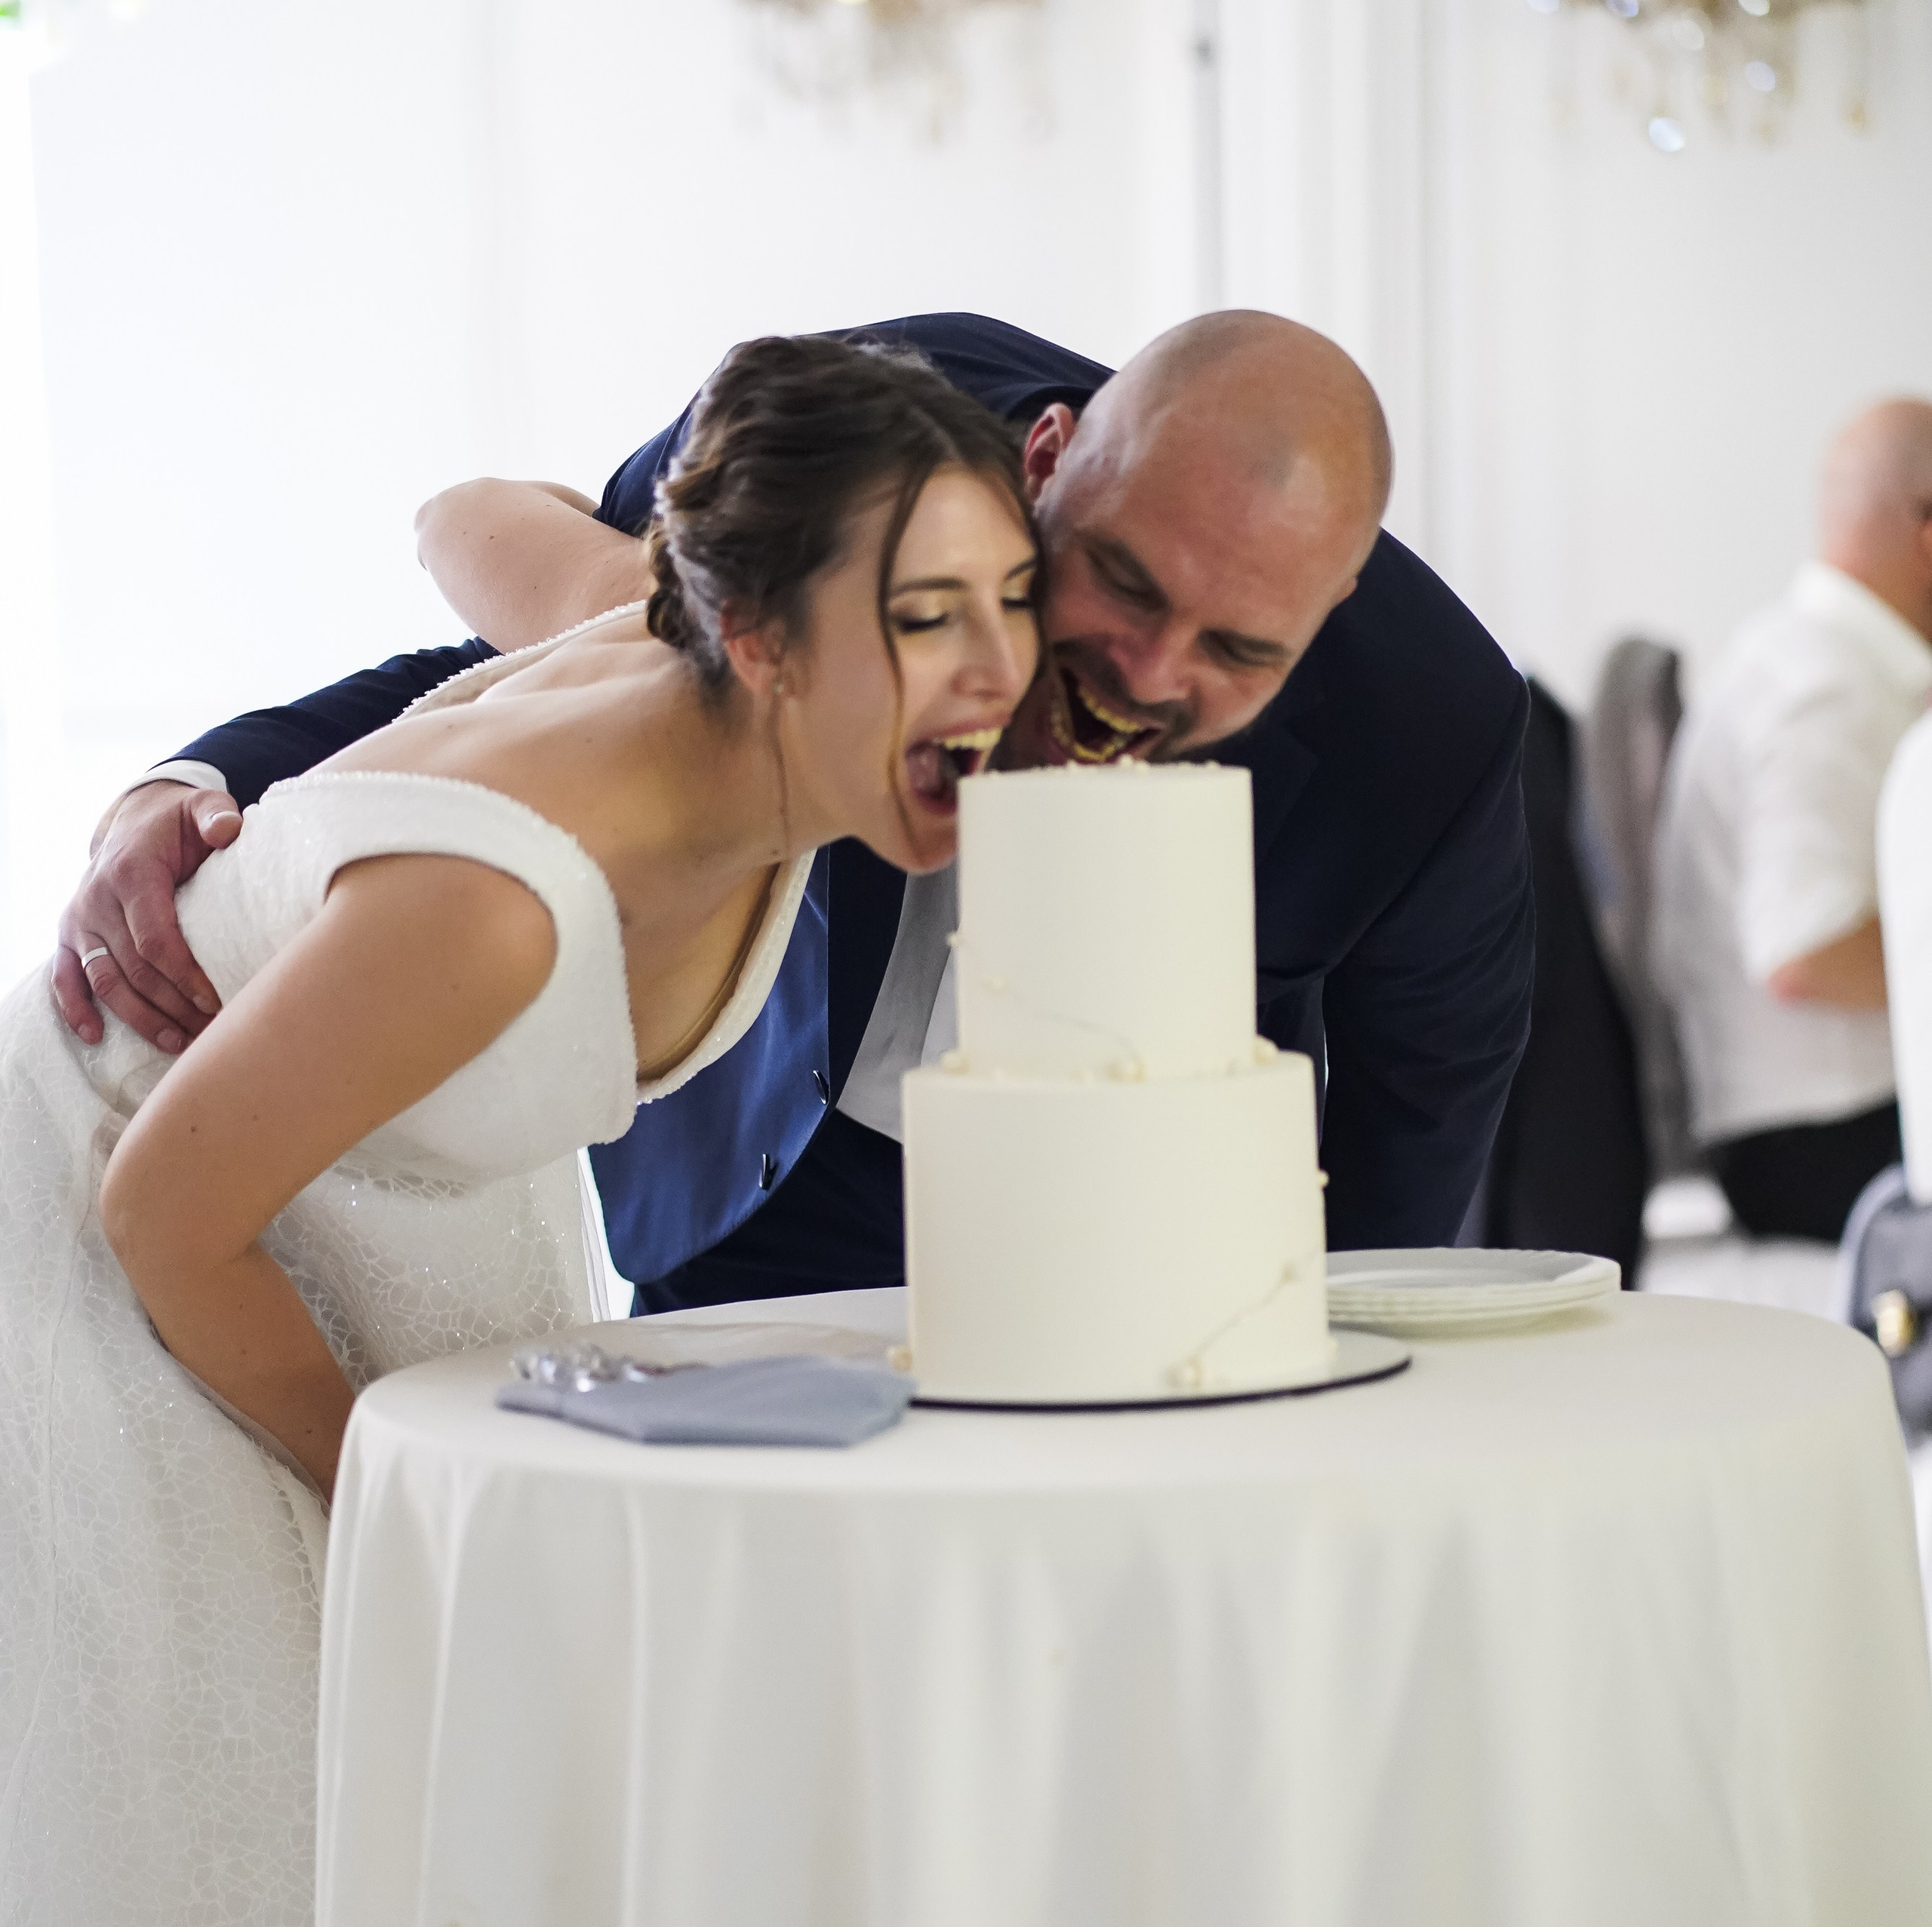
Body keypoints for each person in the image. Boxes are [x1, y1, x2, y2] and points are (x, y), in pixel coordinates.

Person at [0, 337, 1041, 1927]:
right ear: (758, 635)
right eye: (923, 617)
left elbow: (474, 517)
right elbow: (163, 1211)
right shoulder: (500, 899)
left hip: (335, 1256)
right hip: (131, 1309)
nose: (993, 670)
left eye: (1009, 600)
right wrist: (419, 1507)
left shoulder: (648, 625)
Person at [54, 309, 1536, 1308]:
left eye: (1239, 652)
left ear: (1328, 614)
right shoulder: (856, 460)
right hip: (759, 1169)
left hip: (1130, 1271)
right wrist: (187, 790)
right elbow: (550, 666)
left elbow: (1417, 1145)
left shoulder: (1433, 732)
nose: (1147, 673)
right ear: (1046, 461)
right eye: (1124, 584)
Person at [1654, 398, 1932, 1243]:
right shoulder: (1829, 690)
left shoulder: (1809, 661)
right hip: (1818, 1143)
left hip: (1822, 1126)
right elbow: (1802, 952)